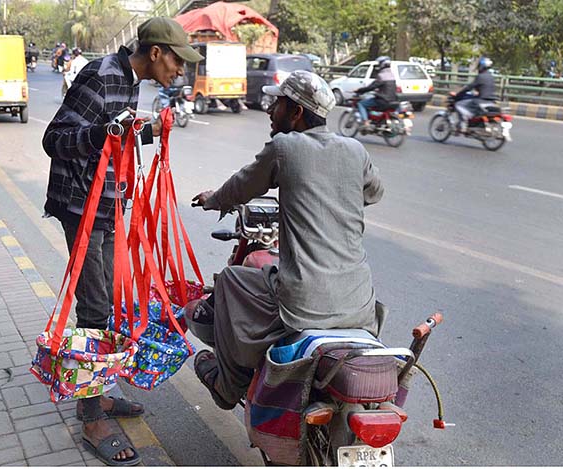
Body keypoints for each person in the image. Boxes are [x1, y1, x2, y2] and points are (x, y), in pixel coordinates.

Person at [42, 17, 203, 466]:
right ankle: (92, 416)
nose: (180, 71)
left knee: (111, 301)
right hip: (83, 208)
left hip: (110, 207)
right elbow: (54, 140)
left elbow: (116, 137)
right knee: (94, 306)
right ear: (156, 53)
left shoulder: (130, 81)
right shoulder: (101, 75)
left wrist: (148, 130)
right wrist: (106, 133)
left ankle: (99, 394)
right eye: (177, 61)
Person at [190, 70, 384, 411]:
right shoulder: (354, 149)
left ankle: (227, 384)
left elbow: (242, 186)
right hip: (360, 303)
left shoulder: (285, 147)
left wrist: (213, 200)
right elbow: (373, 192)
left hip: (304, 301)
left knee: (231, 280)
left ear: (295, 112)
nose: (268, 110)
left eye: (276, 103)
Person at [454, 57, 496, 131]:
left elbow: (469, 87)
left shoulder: (480, 77)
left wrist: (458, 94)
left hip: (481, 101)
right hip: (492, 101)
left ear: (481, 66)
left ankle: (463, 125)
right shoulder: (491, 77)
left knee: (459, 105)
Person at [355, 56, 397, 128]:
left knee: (361, 104)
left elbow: (371, 87)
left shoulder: (381, 75)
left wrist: (359, 90)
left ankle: (366, 122)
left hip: (383, 100)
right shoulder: (392, 75)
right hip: (393, 100)